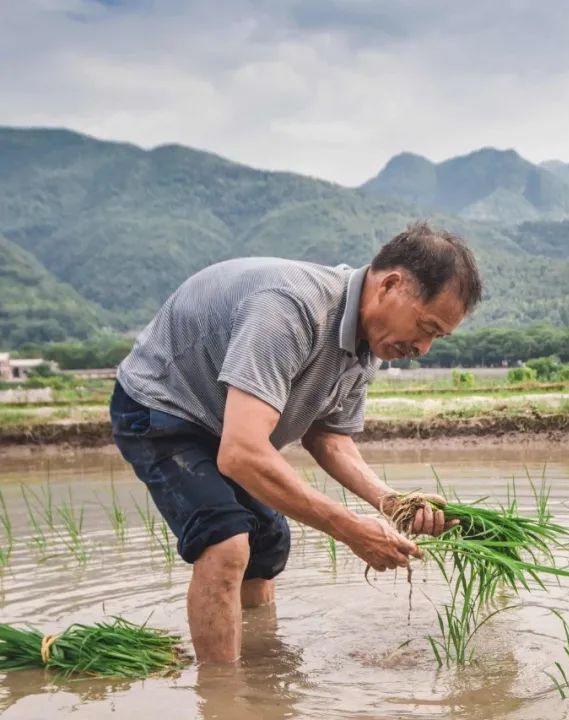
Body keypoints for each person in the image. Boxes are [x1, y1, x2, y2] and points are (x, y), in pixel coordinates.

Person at [110, 221, 482, 663]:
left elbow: (329, 437)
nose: (423, 347)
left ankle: (259, 668)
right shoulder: (290, 308)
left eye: (437, 337)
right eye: (425, 326)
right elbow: (241, 453)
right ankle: (222, 698)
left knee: (268, 542)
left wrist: (392, 502)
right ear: (391, 285)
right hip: (163, 408)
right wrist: (350, 530)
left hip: (227, 423)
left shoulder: (370, 346)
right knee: (226, 541)